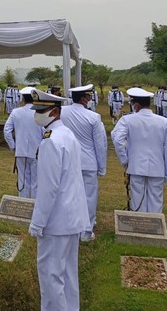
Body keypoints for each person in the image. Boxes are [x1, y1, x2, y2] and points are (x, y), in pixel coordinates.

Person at [28, 88, 90, 311]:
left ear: (54, 112)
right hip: (72, 217)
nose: (37, 114)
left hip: (55, 221)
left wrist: (37, 222)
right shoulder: (67, 135)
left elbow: (48, 188)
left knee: (51, 276)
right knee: (68, 274)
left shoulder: (51, 140)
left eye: (41, 110)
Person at [111, 87, 167, 213]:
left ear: (136, 105)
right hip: (157, 167)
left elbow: (117, 139)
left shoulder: (127, 119)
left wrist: (125, 161)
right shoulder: (164, 122)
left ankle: (139, 230)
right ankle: (154, 230)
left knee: (137, 201)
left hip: (135, 166)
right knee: (156, 201)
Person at [60, 84, 107, 241]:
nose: (89, 99)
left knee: (68, 193)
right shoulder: (93, 117)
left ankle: (68, 224)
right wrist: (101, 167)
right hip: (88, 162)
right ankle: (86, 230)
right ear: (83, 98)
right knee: (89, 196)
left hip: (67, 160)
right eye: (88, 97)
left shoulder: (62, 112)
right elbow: (100, 144)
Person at [4, 86, 43, 198]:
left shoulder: (16, 112)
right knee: (36, 182)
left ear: (23, 98)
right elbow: (45, 132)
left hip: (20, 151)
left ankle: (23, 203)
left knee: (23, 181)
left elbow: (7, 131)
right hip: (37, 151)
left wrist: (13, 146)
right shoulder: (39, 112)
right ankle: (34, 206)